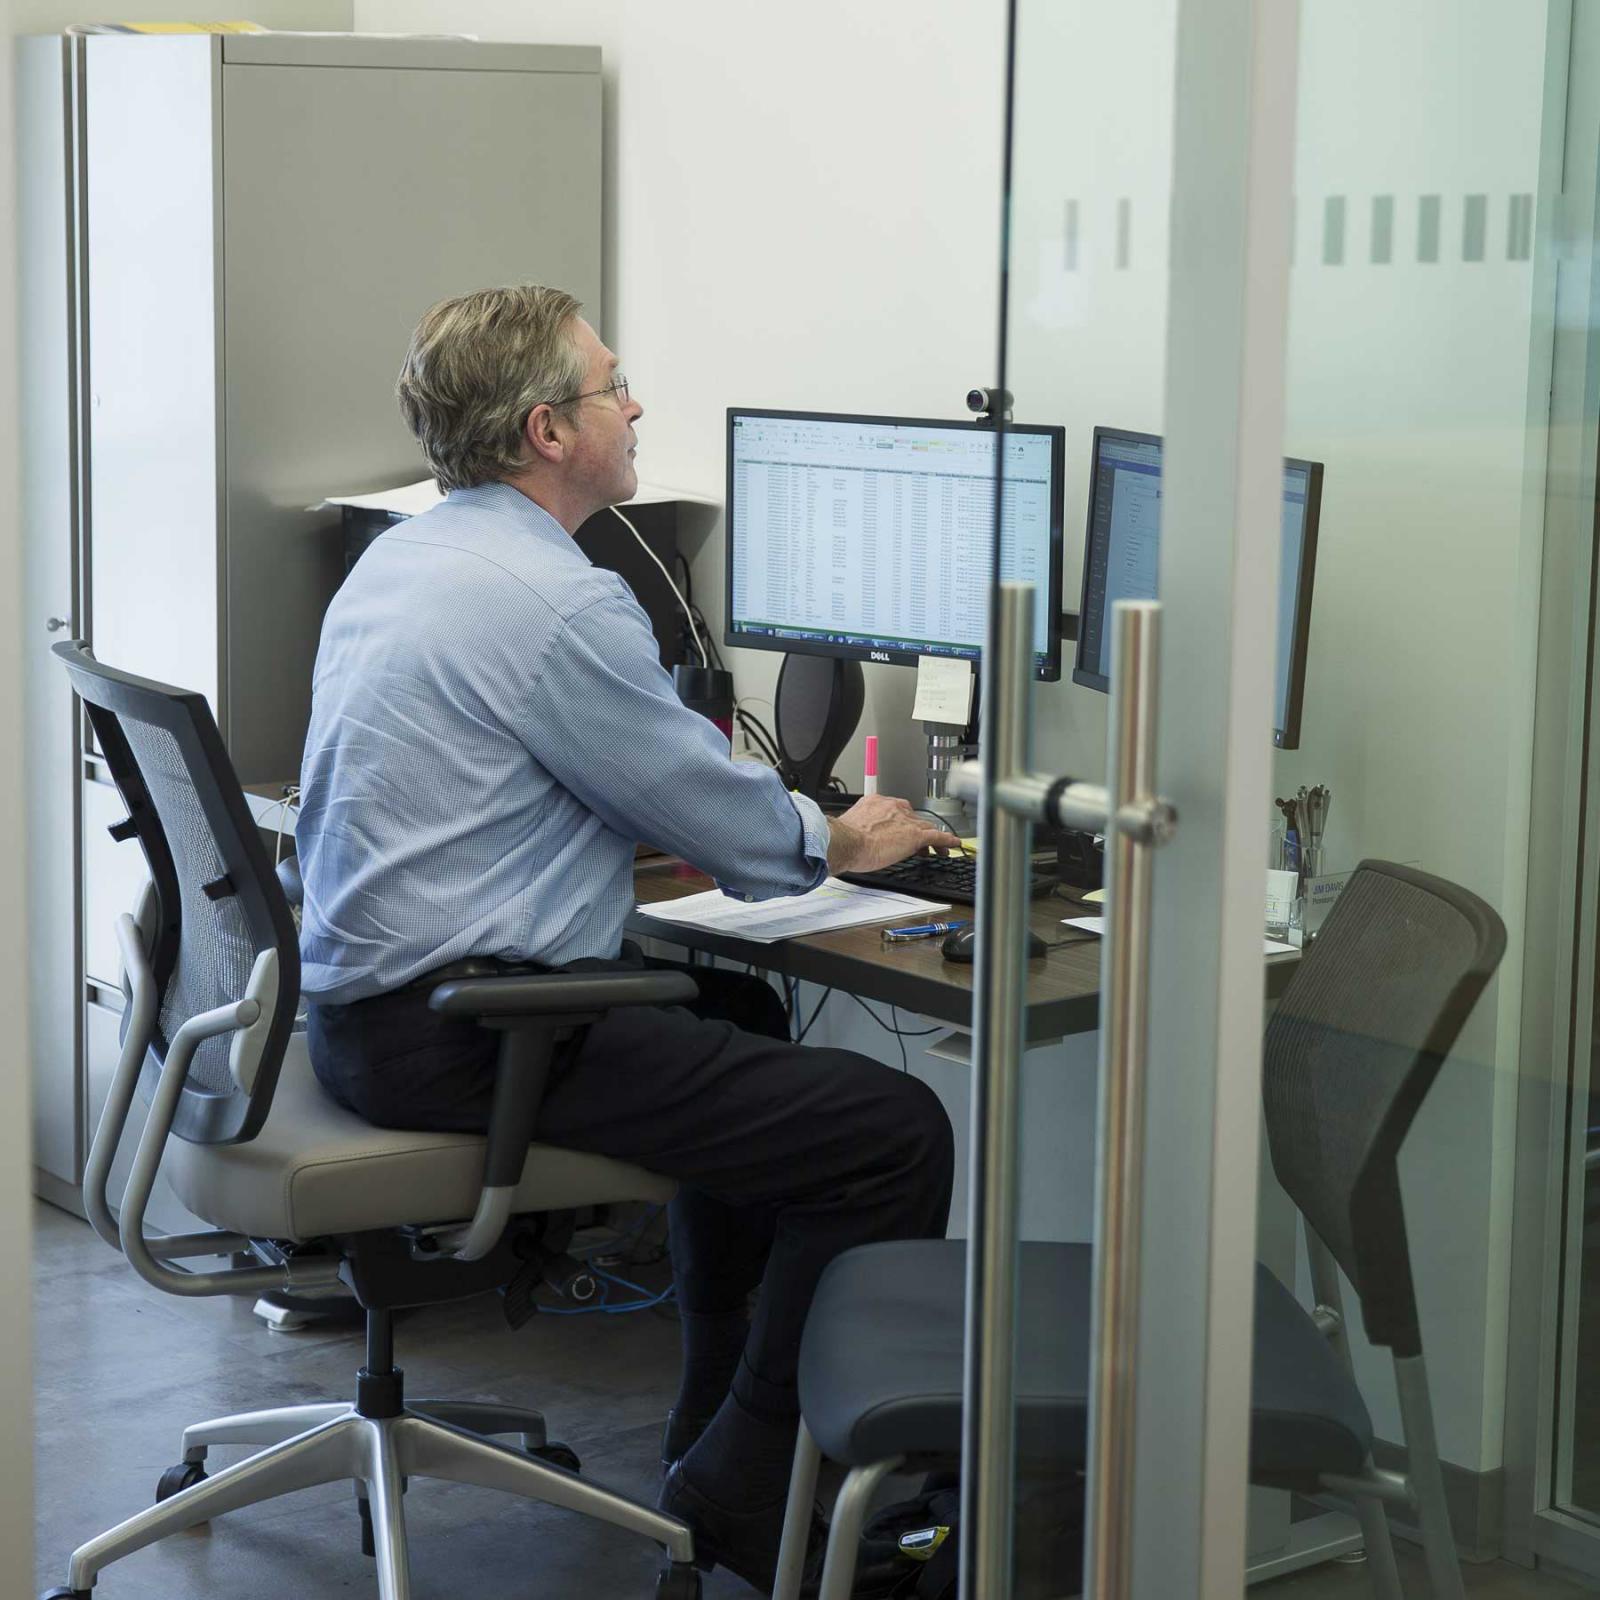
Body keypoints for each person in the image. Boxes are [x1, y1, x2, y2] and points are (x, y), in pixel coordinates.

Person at [295, 284, 958, 1595]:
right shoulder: (556, 600)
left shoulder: (415, 557)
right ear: (549, 429)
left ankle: (710, 1426)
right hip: (469, 1038)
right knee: (893, 1134)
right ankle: (756, 1474)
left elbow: (573, 776)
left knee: (749, 1026)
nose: (636, 402)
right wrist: (846, 839)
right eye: (614, 385)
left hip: (370, 1011)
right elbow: (722, 819)